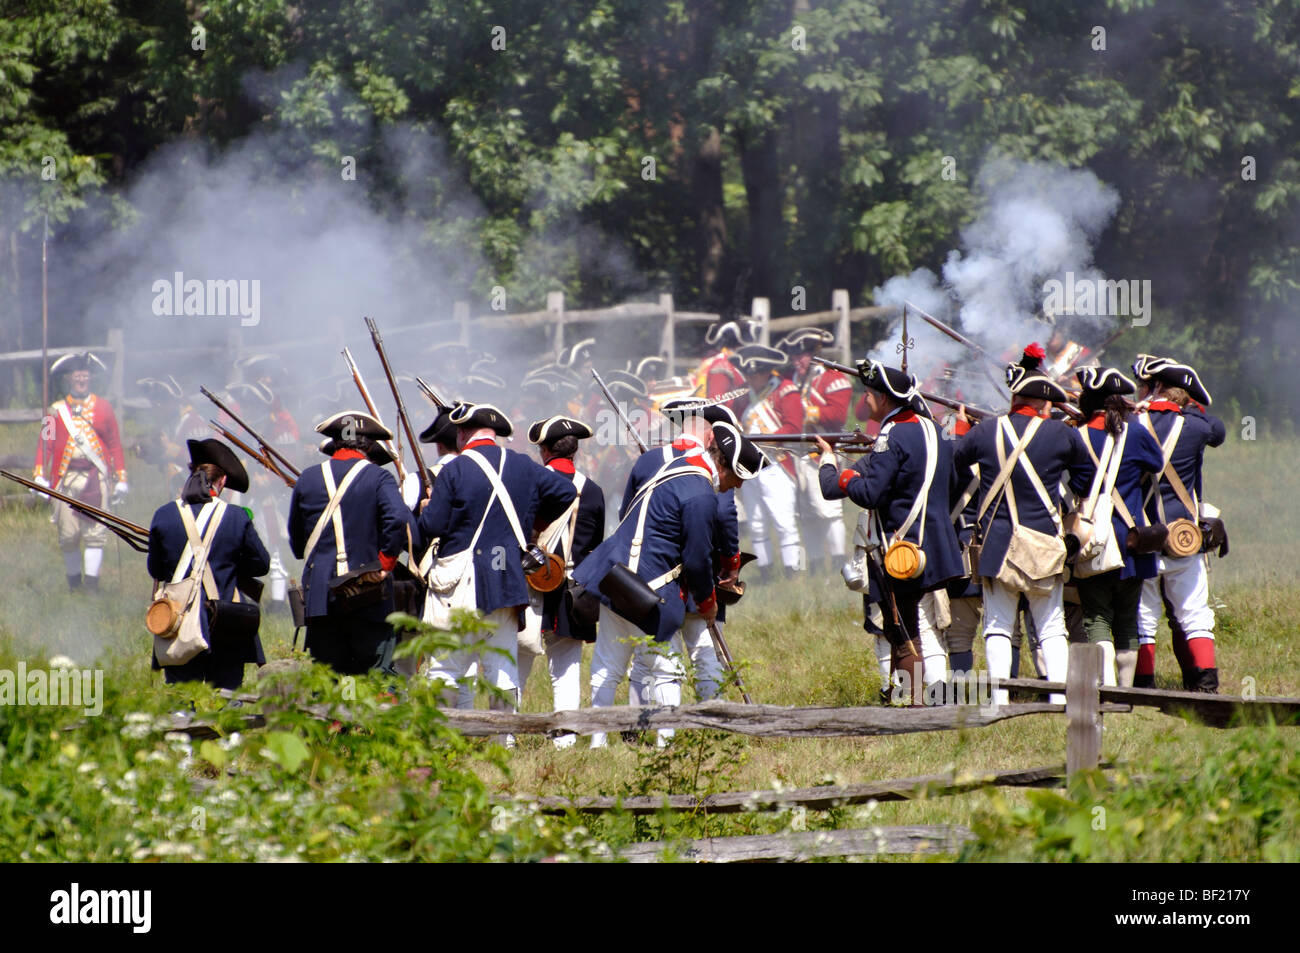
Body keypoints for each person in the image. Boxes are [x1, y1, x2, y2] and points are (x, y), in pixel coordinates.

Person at [576, 418, 766, 747]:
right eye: (737, 479)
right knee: (668, 670)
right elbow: (696, 558)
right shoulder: (701, 494)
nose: (735, 487)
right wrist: (708, 603)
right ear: (726, 467)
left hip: (616, 576)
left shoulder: (676, 465)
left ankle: (596, 743)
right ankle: (666, 746)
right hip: (650, 590)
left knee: (607, 665)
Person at [818, 361, 964, 706]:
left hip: (900, 549)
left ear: (883, 399)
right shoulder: (935, 429)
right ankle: (916, 701)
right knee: (912, 626)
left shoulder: (891, 434)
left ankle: (913, 706)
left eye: (869, 394)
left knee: (902, 630)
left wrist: (844, 474)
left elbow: (870, 494)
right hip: (935, 545)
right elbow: (951, 484)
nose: (865, 400)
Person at [416, 402, 577, 712]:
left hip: (459, 582)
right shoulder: (523, 465)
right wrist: (532, 526)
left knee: (447, 668)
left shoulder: (455, 469)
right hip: (505, 579)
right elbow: (565, 493)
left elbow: (432, 526)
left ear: (462, 433)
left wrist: (426, 510)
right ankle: (505, 741)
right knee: (501, 667)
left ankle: (445, 741)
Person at [953, 354, 1092, 704]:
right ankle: (1060, 700)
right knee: (1051, 627)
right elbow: (1087, 479)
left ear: (1014, 398)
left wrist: (961, 429)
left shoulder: (985, 431)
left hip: (998, 547)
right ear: (1045, 402)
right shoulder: (1061, 434)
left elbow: (957, 460)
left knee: (998, 626)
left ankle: (1000, 702)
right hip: (1044, 543)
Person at [287, 410, 414, 676]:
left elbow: (297, 541)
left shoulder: (307, 478)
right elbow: (398, 518)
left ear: (335, 442)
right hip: (367, 591)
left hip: (321, 594)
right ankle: (368, 719)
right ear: (368, 445)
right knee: (376, 673)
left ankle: (341, 718)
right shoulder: (379, 477)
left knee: (334, 674)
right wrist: (385, 564)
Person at [1130, 355, 1226, 692]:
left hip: (1142, 535)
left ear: (1153, 387)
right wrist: (1187, 406)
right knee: (1195, 615)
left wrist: (1140, 407)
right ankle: (1205, 687)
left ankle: (1142, 686)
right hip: (1184, 537)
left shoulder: (1131, 424)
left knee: (1143, 619)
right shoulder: (1197, 426)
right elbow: (1218, 431)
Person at [1067, 366, 1165, 687]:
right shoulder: (1135, 431)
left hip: (1090, 539)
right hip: (1131, 539)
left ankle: (1105, 690)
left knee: (1097, 618)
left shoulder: (1076, 435)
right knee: (1127, 621)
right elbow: (1157, 462)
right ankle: (1125, 692)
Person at [148, 438, 270, 690]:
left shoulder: (163, 514)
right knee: (228, 705)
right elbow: (261, 564)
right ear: (222, 481)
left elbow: (156, 570)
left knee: (181, 704)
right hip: (225, 622)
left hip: (178, 622)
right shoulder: (236, 517)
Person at [517, 415, 606, 747]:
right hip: (574, 591)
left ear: (544, 450)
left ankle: (506, 739)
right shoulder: (594, 491)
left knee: (516, 664)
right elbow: (595, 546)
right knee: (566, 672)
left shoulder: (532, 482)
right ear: (575, 450)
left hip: (531, 585)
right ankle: (565, 743)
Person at [32, 352, 128, 592]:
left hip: (97, 477)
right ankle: (74, 585)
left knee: (96, 533)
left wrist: (121, 478)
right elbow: (45, 444)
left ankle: (92, 587)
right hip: (65, 479)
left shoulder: (104, 407)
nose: (81, 378)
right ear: (68, 378)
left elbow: (115, 444)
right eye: (77, 374)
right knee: (68, 535)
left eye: (85, 374)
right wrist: (39, 476)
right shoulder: (54, 411)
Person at [780, 327, 853, 575]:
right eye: (794, 356)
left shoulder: (834, 379)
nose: (796, 361)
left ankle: (839, 560)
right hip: (800, 453)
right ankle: (815, 564)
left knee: (828, 510)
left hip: (823, 453)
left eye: (800, 356)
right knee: (806, 513)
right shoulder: (795, 380)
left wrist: (807, 412)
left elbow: (838, 415)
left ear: (813, 355)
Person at [736, 343, 805, 579]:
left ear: (767, 372)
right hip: (750, 465)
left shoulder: (785, 390)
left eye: (755, 374)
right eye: (749, 374)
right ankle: (765, 572)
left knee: (783, 521)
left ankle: (792, 571)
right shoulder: (745, 394)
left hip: (776, 463)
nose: (751, 379)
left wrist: (763, 442)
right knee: (755, 523)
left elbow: (793, 427)